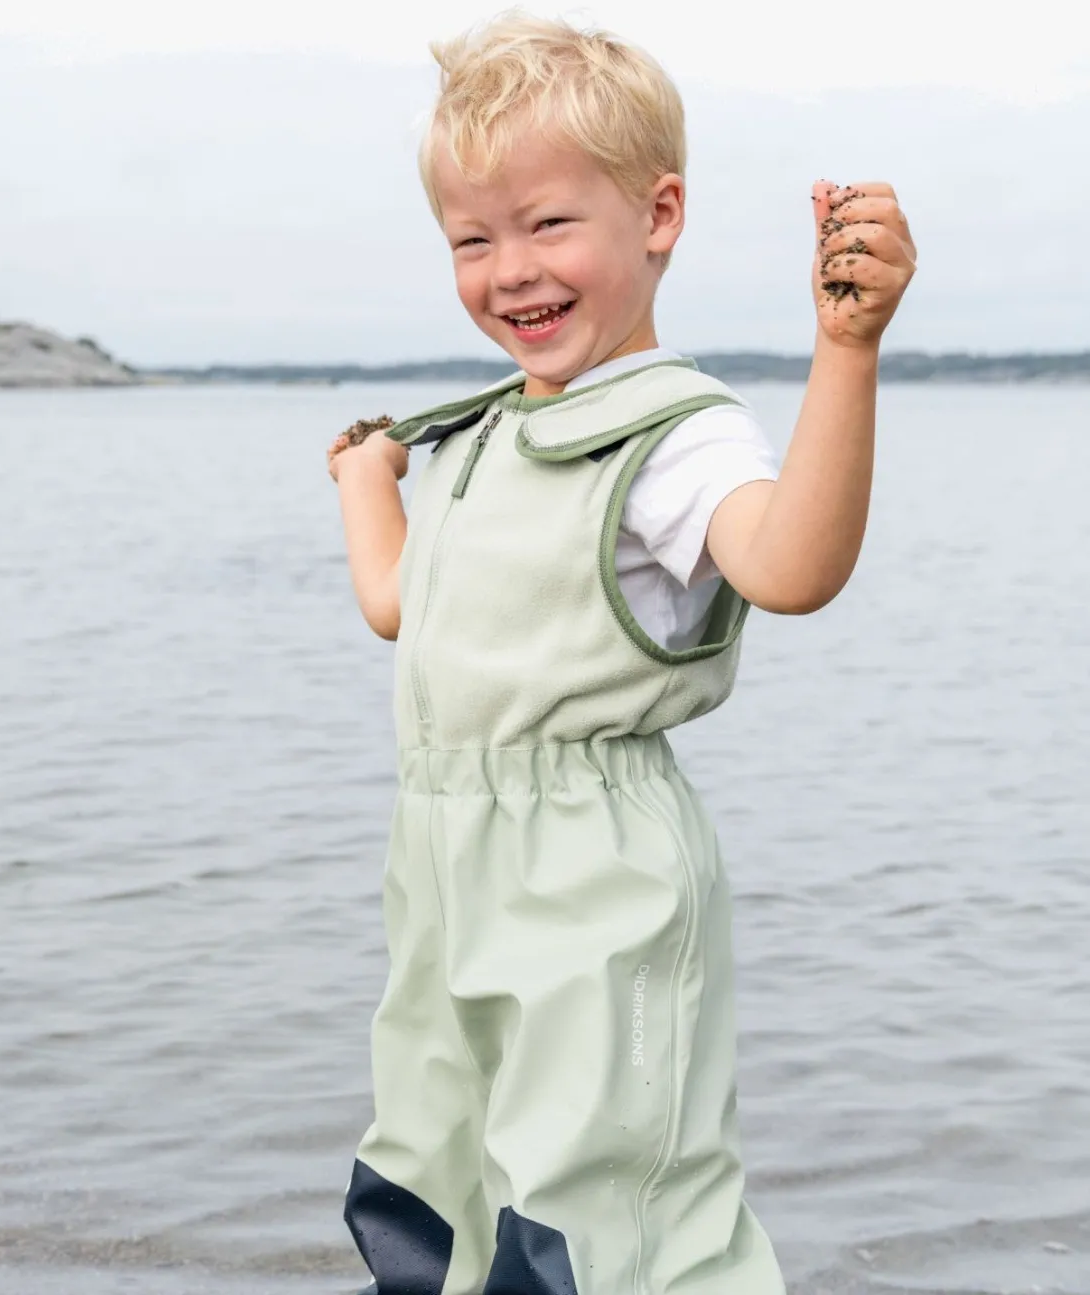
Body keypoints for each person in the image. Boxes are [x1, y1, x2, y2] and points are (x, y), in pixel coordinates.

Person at [326, 13, 916, 1294]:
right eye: (471, 239)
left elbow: (790, 566)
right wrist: (370, 482)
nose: (508, 270)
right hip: (446, 858)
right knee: (438, 1174)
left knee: (605, 1207)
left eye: (547, 224)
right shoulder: (487, 431)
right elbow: (404, 609)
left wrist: (845, 351)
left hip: (590, 867)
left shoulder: (669, 435)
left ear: (657, 215)